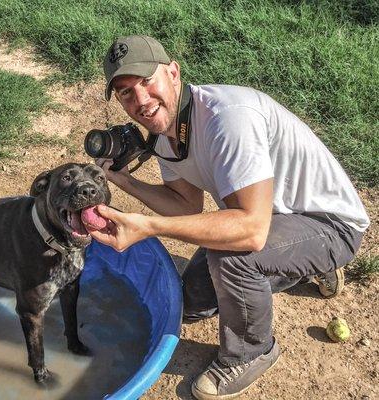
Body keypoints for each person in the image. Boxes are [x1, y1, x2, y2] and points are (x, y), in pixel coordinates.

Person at [89, 35, 369, 400]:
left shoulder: (227, 118)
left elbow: (251, 232)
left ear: (174, 72)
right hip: (272, 219)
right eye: (126, 92)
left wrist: (148, 226)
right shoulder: (166, 132)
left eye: (146, 81)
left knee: (233, 256)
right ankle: (297, 263)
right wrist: (121, 179)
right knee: (189, 302)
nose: (140, 100)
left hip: (329, 224)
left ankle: (252, 351)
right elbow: (184, 204)